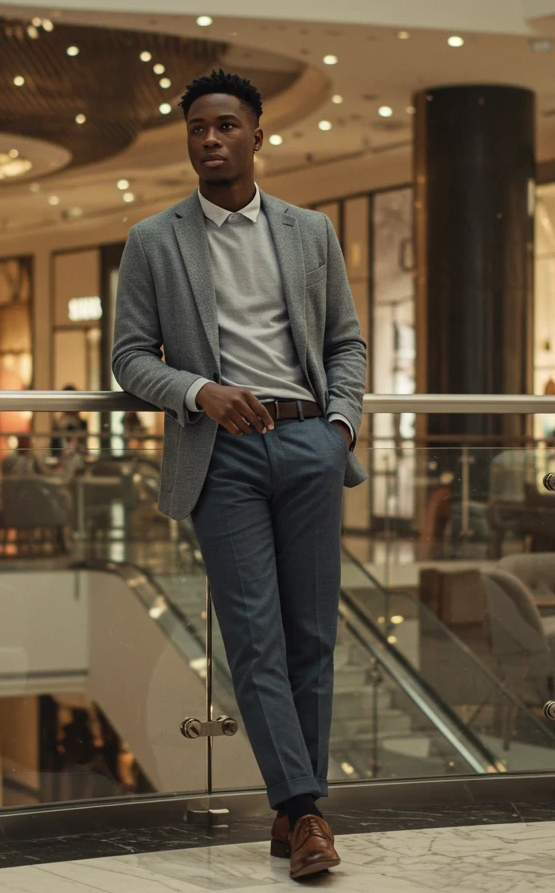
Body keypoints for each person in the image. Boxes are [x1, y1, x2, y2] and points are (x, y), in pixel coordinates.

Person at [112, 70, 366, 879]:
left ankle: (295, 813)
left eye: (225, 125)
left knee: (313, 639)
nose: (210, 139)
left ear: (258, 135)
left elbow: (345, 345)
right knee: (254, 640)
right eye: (197, 128)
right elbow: (126, 359)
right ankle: (307, 813)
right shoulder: (155, 240)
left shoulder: (308, 231)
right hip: (217, 456)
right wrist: (199, 392)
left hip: (307, 446)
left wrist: (339, 427)